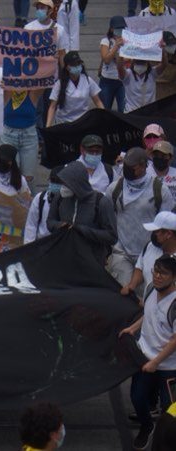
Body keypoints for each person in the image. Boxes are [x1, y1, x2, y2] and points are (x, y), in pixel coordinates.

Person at [120, 255, 176, 450]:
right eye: (156, 271)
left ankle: (166, 441)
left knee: (170, 411)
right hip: (145, 356)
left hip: (169, 367)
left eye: (164, 273)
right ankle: (147, 426)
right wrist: (133, 328)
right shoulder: (151, 288)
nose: (158, 276)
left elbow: (175, 341)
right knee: (137, 398)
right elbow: (148, 313)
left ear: (174, 277)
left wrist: (156, 362)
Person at [107, 147, 175, 288]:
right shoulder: (114, 189)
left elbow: (166, 225)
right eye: (126, 166)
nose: (128, 169)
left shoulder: (160, 190)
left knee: (148, 295)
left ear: (144, 166)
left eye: (133, 167)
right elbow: (109, 219)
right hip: (121, 252)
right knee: (126, 297)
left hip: (150, 252)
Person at [47, 161, 118, 264]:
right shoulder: (60, 198)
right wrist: (60, 225)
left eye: (66, 184)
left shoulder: (101, 202)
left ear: (77, 184)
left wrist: (82, 230)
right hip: (64, 259)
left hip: (92, 262)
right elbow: (50, 221)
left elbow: (111, 236)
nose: (63, 187)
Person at [122, 212, 176, 297]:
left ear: (168, 234)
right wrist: (132, 285)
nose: (153, 234)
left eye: (156, 231)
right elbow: (140, 267)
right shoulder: (150, 246)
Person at [46, 52, 104, 126]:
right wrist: (48, 126)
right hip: (64, 122)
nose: (77, 67)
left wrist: (103, 116)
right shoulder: (59, 84)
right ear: (67, 67)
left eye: (78, 64)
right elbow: (52, 107)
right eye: (73, 65)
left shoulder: (87, 80)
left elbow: (98, 101)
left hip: (83, 121)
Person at [1, 87, 43, 182]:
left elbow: (45, 79)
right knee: (10, 174)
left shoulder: (33, 93)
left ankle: (27, 196)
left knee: (28, 177)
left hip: (29, 136)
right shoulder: (7, 92)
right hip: (8, 135)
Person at [24, 165, 63, 244]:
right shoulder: (40, 198)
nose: (55, 184)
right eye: (53, 180)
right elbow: (31, 225)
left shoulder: (70, 202)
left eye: (58, 182)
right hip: (41, 244)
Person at [99, 16, 126, 113]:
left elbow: (129, 61)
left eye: (122, 28)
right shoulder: (106, 41)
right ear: (111, 29)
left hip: (123, 82)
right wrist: (116, 46)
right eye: (117, 28)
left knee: (124, 110)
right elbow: (106, 59)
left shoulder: (128, 42)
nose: (120, 30)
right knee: (105, 111)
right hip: (107, 81)